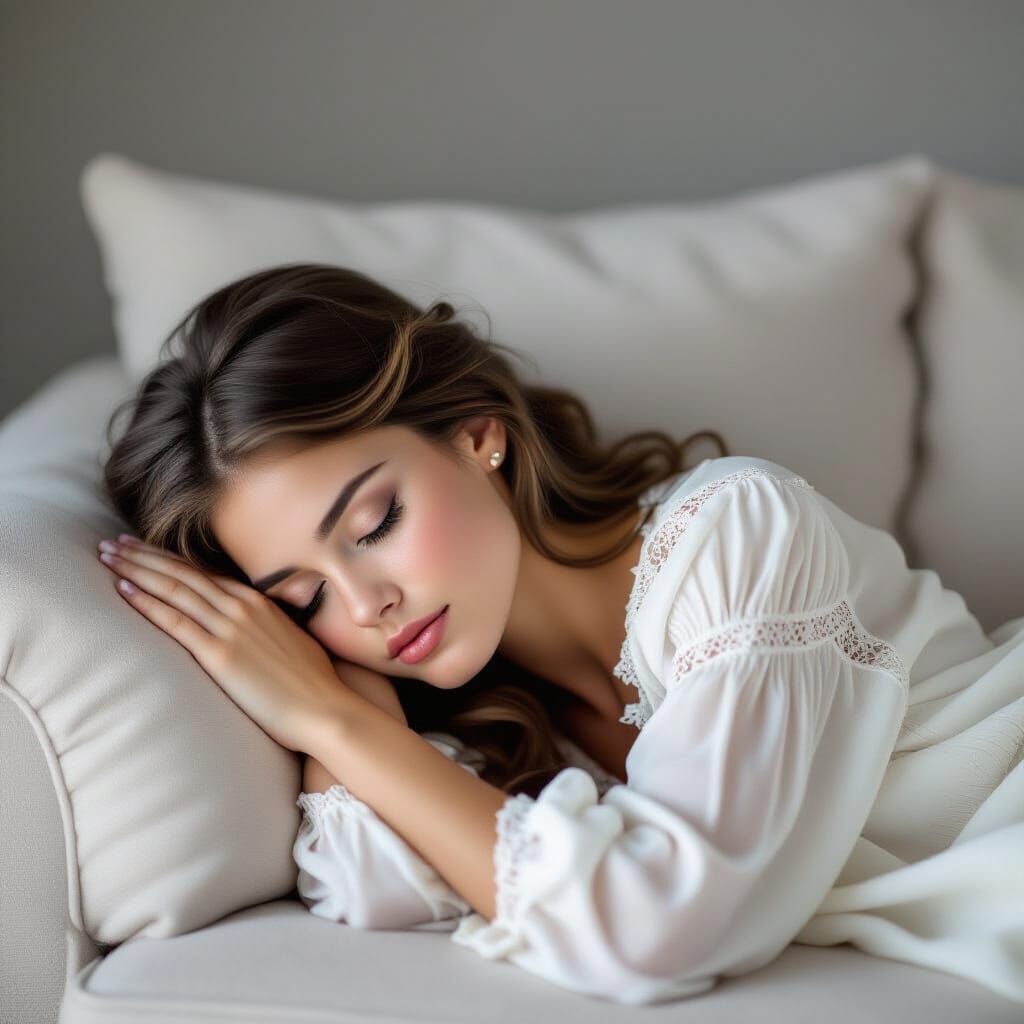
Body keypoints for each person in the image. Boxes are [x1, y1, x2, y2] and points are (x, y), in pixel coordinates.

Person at [100, 263, 1024, 1006]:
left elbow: (659, 931)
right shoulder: (478, 714)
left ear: (476, 435)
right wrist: (344, 705)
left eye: (376, 521)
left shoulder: (740, 532)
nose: (365, 606)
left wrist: (333, 725)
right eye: (301, 601)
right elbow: (368, 887)